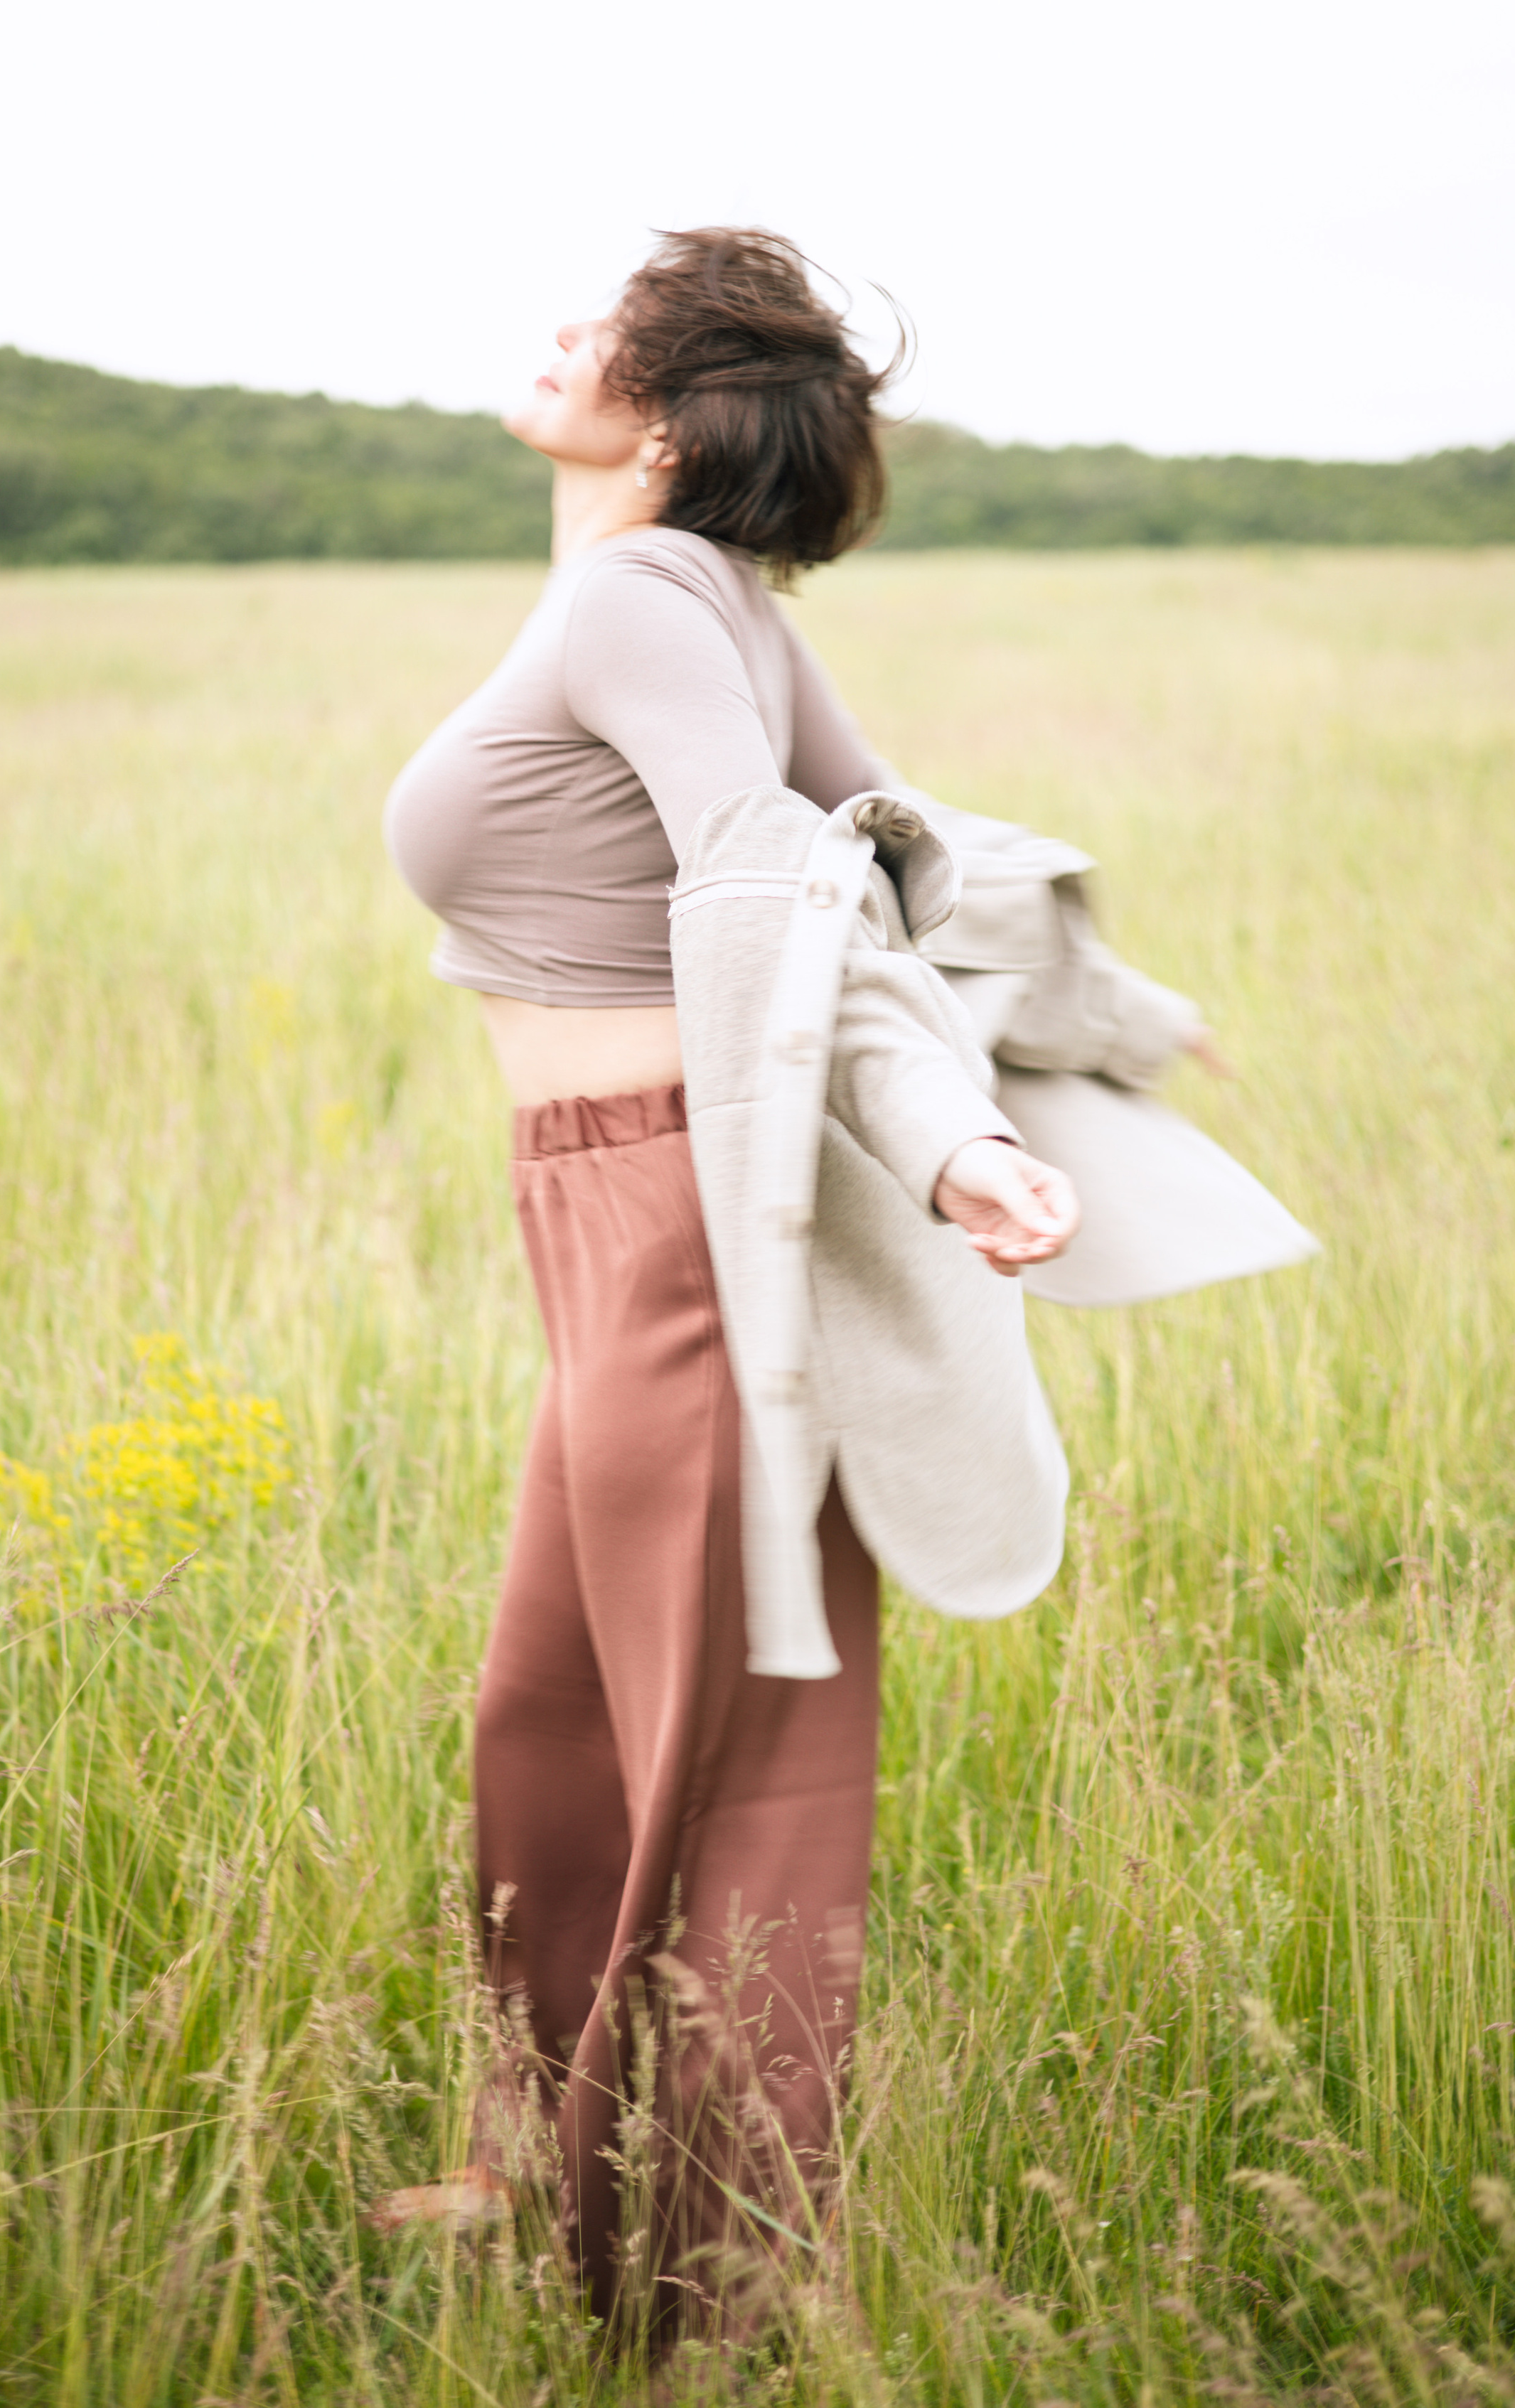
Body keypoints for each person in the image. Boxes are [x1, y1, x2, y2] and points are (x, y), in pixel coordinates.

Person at [374, 231, 1095, 2343]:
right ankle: (543, 2169)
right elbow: (891, 846)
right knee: (560, 1719)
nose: (550, 340)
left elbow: (798, 891)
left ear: (668, 418)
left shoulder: (645, 596)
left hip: (686, 1227)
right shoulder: (692, 604)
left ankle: (721, 2286)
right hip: (610, 1223)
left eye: (593, 333)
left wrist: (960, 1138)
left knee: (741, 1756)